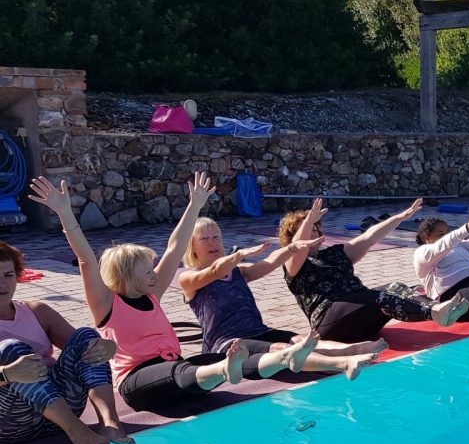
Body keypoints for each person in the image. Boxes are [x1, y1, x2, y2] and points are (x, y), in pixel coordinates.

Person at [30, 173, 320, 413]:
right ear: (127, 274)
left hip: (176, 372)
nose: (154, 272)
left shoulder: (151, 291)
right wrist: (65, 212)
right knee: (190, 372)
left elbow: (175, 248)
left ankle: (286, 358)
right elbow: (85, 259)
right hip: (138, 382)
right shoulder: (106, 304)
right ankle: (225, 371)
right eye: (147, 268)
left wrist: (194, 205)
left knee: (216, 362)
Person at [180, 218, 383, 379]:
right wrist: (239, 255)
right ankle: (342, 364)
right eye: (205, 239)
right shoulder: (189, 278)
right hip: (228, 343)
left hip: (258, 331)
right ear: (193, 247)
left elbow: (268, 262)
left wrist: (292, 248)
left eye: (216, 237)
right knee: (283, 348)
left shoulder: (238, 272)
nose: (213, 242)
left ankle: (357, 349)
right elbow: (216, 270)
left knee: (301, 339)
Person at [0, 241, 132, 444]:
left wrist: (107, 347)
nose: (2, 284)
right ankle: (77, 432)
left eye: (8, 275)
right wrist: (7, 373)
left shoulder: (36, 311)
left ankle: (110, 423)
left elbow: (83, 351)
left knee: (86, 337)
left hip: (60, 413)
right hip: (10, 425)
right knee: (11, 349)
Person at [279, 197, 469, 343]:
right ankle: (435, 311)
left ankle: (436, 309)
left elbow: (369, 237)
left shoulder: (335, 253)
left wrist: (399, 218)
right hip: (331, 323)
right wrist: (307, 220)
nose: (311, 231)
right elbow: (298, 248)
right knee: (376, 296)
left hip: (361, 321)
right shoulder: (292, 262)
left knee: (395, 288)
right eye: (305, 228)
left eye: (314, 227)